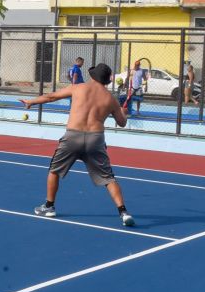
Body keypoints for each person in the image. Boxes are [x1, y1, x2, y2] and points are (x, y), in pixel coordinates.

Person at [21, 63, 135, 227]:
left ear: (93, 76)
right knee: (109, 179)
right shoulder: (110, 99)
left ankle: (49, 206)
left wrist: (31, 102)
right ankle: (123, 212)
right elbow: (122, 123)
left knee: (54, 170)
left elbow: (51, 97)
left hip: (73, 136)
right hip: (96, 139)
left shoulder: (78, 88)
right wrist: (124, 113)